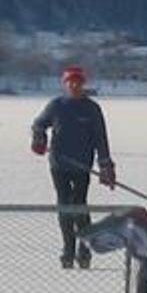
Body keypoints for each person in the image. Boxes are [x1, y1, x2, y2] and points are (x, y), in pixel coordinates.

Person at [30, 66, 114, 268]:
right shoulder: (56, 105)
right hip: (59, 164)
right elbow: (39, 124)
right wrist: (39, 138)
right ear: (65, 84)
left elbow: (100, 138)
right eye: (71, 82)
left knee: (79, 205)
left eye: (78, 82)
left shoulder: (91, 108)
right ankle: (68, 250)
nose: (74, 86)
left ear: (83, 84)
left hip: (82, 165)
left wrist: (105, 165)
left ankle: (84, 250)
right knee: (64, 205)